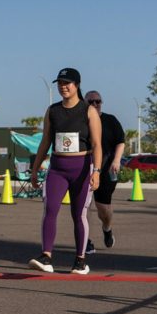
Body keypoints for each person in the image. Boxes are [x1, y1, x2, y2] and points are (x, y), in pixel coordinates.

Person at [27, 68, 102, 276]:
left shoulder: (88, 111)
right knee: (50, 209)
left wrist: (96, 171)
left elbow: (97, 144)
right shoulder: (52, 111)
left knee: (79, 214)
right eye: (60, 83)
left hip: (82, 168)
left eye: (67, 83)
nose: (63, 87)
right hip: (57, 168)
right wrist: (35, 170)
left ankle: (80, 260)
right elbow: (45, 142)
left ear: (77, 85)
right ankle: (46, 256)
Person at [85, 90, 125, 253]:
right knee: (82, 207)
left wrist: (116, 160)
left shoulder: (110, 120)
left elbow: (120, 141)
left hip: (106, 170)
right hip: (83, 169)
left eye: (98, 101)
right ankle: (85, 241)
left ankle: (107, 229)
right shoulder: (80, 121)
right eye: (91, 102)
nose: (95, 104)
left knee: (103, 209)